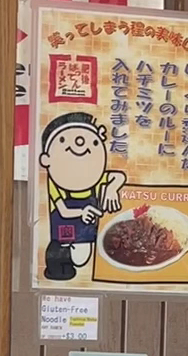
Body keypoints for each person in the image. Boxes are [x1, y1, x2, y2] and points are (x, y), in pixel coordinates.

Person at [38, 112, 126, 281]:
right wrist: (82, 212)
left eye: (94, 143)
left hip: (85, 231)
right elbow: (63, 211)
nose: (80, 145)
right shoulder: (55, 183)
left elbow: (118, 176)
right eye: (63, 141)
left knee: (81, 259)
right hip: (64, 227)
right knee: (60, 252)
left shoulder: (95, 179)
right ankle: (58, 262)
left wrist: (112, 188)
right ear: (46, 159)